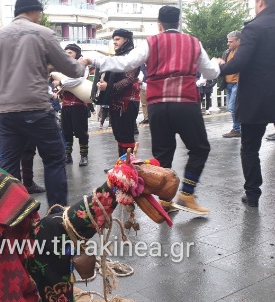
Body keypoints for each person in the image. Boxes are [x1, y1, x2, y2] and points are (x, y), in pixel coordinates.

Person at [90, 6, 220, 215]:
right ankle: (186, 194)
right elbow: (211, 71)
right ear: (179, 23)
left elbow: (126, 62)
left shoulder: (151, 42)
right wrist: (217, 63)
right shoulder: (194, 43)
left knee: (163, 152)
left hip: (158, 105)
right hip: (185, 103)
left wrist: (95, 60)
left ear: (159, 24)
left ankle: (165, 199)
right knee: (199, 148)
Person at [0, 0, 89, 207]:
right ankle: (56, 214)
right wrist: (82, 64)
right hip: (37, 109)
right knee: (53, 160)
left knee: (8, 166)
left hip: (6, 112)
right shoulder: (43, 33)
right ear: (36, 11)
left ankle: (12, 216)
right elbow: (71, 69)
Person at [218, 0, 275, 207]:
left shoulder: (254, 27)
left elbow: (239, 62)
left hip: (256, 98)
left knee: (250, 147)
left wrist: (220, 66)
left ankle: (252, 194)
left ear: (260, 3)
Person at [95, 29, 140, 160]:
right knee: (119, 135)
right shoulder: (118, 56)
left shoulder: (132, 56)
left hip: (127, 102)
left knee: (126, 136)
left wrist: (108, 86)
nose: (114, 42)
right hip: (117, 101)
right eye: (113, 39)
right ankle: (121, 165)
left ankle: (128, 168)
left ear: (126, 40)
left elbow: (129, 79)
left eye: (117, 39)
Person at [52, 44, 91, 166]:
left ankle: (84, 156)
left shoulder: (83, 66)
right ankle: (67, 155)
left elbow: (78, 80)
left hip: (79, 105)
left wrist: (61, 82)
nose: (67, 55)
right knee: (66, 131)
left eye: (70, 53)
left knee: (81, 132)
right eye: (66, 53)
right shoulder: (64, 68)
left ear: (77, 54)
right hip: (66, 105)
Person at [219, 30, 242, 138]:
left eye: (231, 41)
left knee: (233, 107)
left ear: (238, 41)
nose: (228, 44)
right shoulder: (227, 52)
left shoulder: (242, 53)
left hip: (237, 83)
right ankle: (238, 127)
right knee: (230, 107)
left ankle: (237, 129)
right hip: (228, 83)